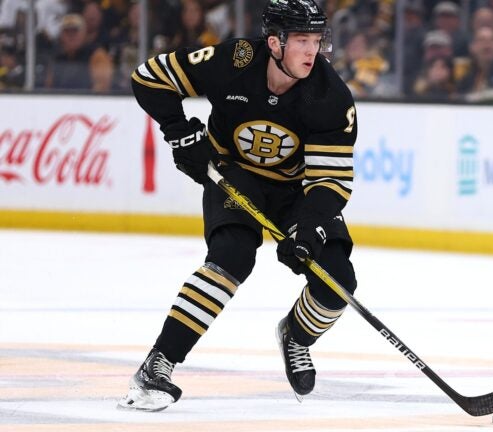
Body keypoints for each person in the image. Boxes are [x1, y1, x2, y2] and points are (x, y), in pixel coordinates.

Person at [118, 0, 358, 411]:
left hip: (296, 189)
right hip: (233, 172)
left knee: (337, 284)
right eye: (301, 40)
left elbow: (329, 181)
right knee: (232, 257)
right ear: (274, 42)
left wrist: (307, 226)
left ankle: (297, 335)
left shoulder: (329, 95)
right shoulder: (234, 60)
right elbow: (149, 78)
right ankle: (157, 365)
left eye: (317, 40)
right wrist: (180, 133)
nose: (311, 51)